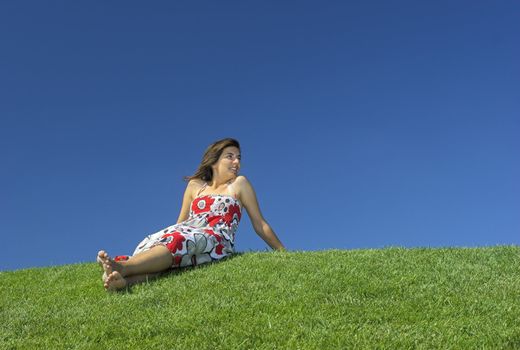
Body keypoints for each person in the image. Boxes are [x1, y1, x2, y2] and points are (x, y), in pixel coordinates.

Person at [97, 137, 285, 291]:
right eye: (230, 156)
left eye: (239, 157)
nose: (237, 162)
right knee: (168, 247)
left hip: (215, 238)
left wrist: (284, 253)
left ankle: (122, 267)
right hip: (188, 233)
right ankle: (121, 281)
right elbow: (180, 224)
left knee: (178, 243)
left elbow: (260, 224)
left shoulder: (239, 184)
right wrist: (167, 237)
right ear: (214, 161)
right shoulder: (195, 186)